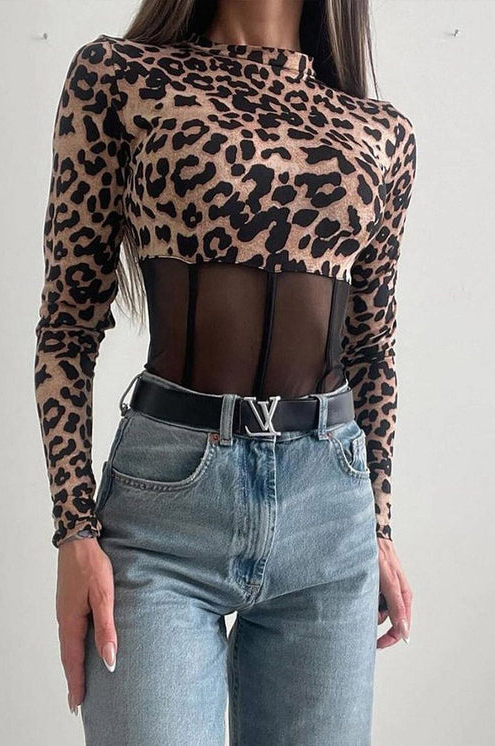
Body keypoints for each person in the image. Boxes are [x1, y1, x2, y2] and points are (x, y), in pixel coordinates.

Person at [34, 0, 416, 743]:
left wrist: (379, 522)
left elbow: (371, 347)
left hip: (329, 513)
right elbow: (67, 326)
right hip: (165, 508)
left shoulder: (382, 131)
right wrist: (74, 530)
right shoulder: (120, 77)